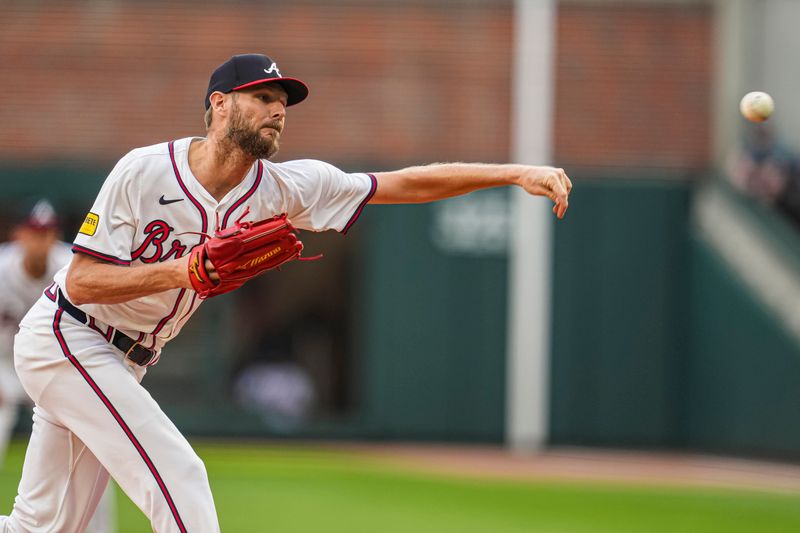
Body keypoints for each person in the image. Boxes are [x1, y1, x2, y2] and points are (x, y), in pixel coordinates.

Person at [0, 53, 571, 532]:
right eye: (262, 96)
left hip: (125, 361)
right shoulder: (144, 171)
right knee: (180, 477)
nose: (277, 109)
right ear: (219, 103)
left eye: (283, 101)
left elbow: (403, 182)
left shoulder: (286, 189)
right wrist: (185, 271)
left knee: (39, 527)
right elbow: (81, 281)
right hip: (68, 335)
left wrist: (512, 172)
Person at [0, 200, 115, 533]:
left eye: (47, 233)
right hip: (5, 367)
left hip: (55, 366)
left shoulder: (71, 265)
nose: (41, 241)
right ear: (19, 234)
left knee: (92, 437)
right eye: (35, 233)